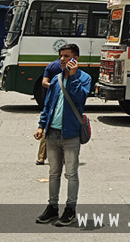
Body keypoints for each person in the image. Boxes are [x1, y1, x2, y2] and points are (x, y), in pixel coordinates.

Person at [34, 43, 91, 227]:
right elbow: (48, 105)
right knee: (53, 173)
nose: (62, 59)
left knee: (71, 173)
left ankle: (70, 210)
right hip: (52, 134)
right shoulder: (57, 79)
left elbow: (79, 99)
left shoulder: (84, 78)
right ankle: (52, 207)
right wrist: (42, 126)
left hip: (71, 134)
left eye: (66, 56)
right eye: (61, 56)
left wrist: (73, 77)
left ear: (76, 59)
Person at [36, 56, 64, 166]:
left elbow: (44, 83)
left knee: (46, 128)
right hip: (60, 101)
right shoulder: (69, 69)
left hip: (50, 99)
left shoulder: (51, 66)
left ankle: (41, 157)